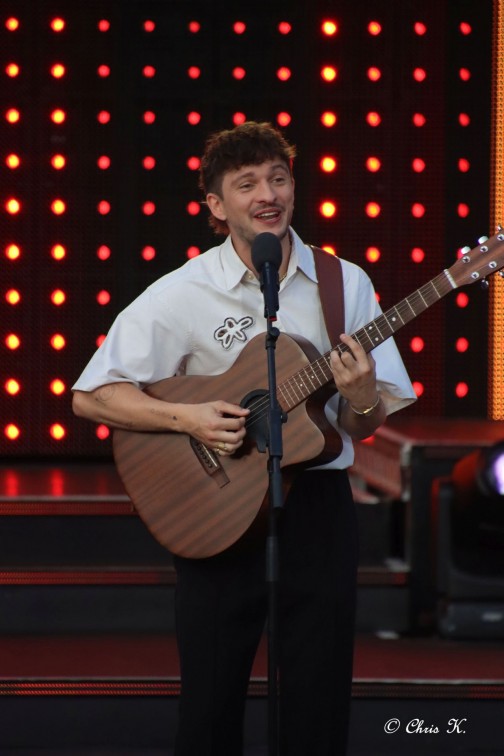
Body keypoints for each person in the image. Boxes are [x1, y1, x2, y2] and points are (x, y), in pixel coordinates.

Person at [72, 121, 416, 755]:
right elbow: (92, 395)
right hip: (214, 508)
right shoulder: (183, 292)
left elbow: (362, 422)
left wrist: (364, 396)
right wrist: (188, 419)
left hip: (316, 508)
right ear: (215, 203)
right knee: (209, 705)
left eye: (278, 179)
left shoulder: (345, 285)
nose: (268, 195)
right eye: (247, 183)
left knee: (317, 703)